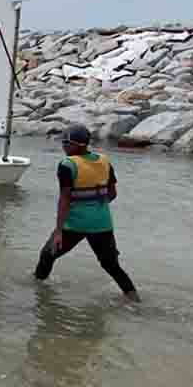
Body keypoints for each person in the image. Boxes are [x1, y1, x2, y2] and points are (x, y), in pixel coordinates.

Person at [33, 124, 140, 302]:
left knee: (47, 255)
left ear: (76, 145)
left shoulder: (67, 165)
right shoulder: (104, 161)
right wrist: (94, 208)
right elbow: (112, 194)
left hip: (74, 224)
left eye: (65, 142)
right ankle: (134, 299)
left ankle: (38, 291)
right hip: (102, 223)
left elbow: (65, 199)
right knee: (111, 265)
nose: (63, 146)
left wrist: (59, 231)